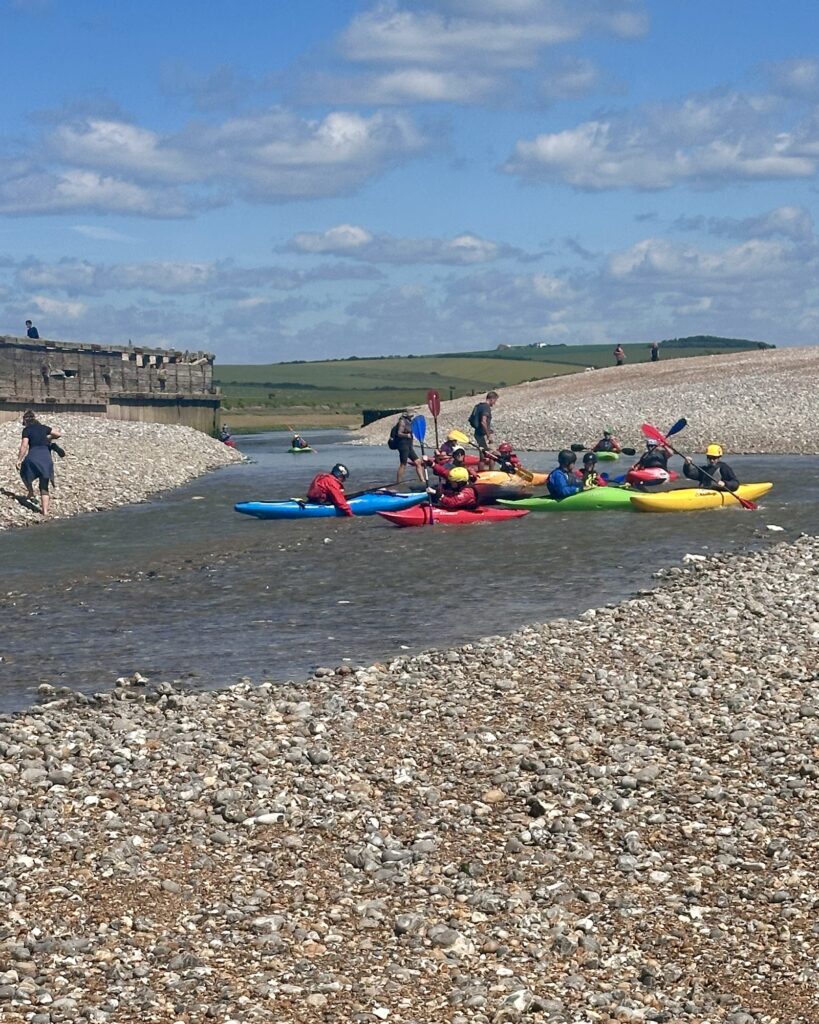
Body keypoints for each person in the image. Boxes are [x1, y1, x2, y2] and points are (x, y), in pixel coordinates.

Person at [16, 409, 61, 516]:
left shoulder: (26, 430)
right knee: (44, 485)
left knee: (23, 472)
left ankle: (30, 491)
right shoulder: (44, 428)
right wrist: (48, 437)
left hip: (33, 456)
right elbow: (58, 434)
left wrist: (19, 460)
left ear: (25, 421)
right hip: (46, 458)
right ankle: (45, 512)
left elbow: (24, 446)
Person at [388, 410, 425, 486]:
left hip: (409, 445)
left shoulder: (410, 422)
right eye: (411, 415)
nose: (412, 416)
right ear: (407, 415)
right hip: (403, 445)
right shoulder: (402, 422)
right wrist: (407, 435)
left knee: (418, 462)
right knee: (403, 464)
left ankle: (423, 480)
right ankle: (398, 482)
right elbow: (399, 433)